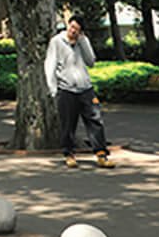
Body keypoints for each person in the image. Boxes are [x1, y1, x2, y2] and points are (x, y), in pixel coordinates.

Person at [44, 15, 113, 168]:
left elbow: (91, 61)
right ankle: (69, 154)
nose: (73, 31)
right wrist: (53, 89)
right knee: (68, 124)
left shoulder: (83, 41)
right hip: (66, 89)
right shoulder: (56, 42)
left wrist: (83, 42)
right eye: (71, 27)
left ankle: (101, 154)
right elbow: (50, 65)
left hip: (86, 89)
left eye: (77, 29)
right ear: (68, 25)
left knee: (95, 120)